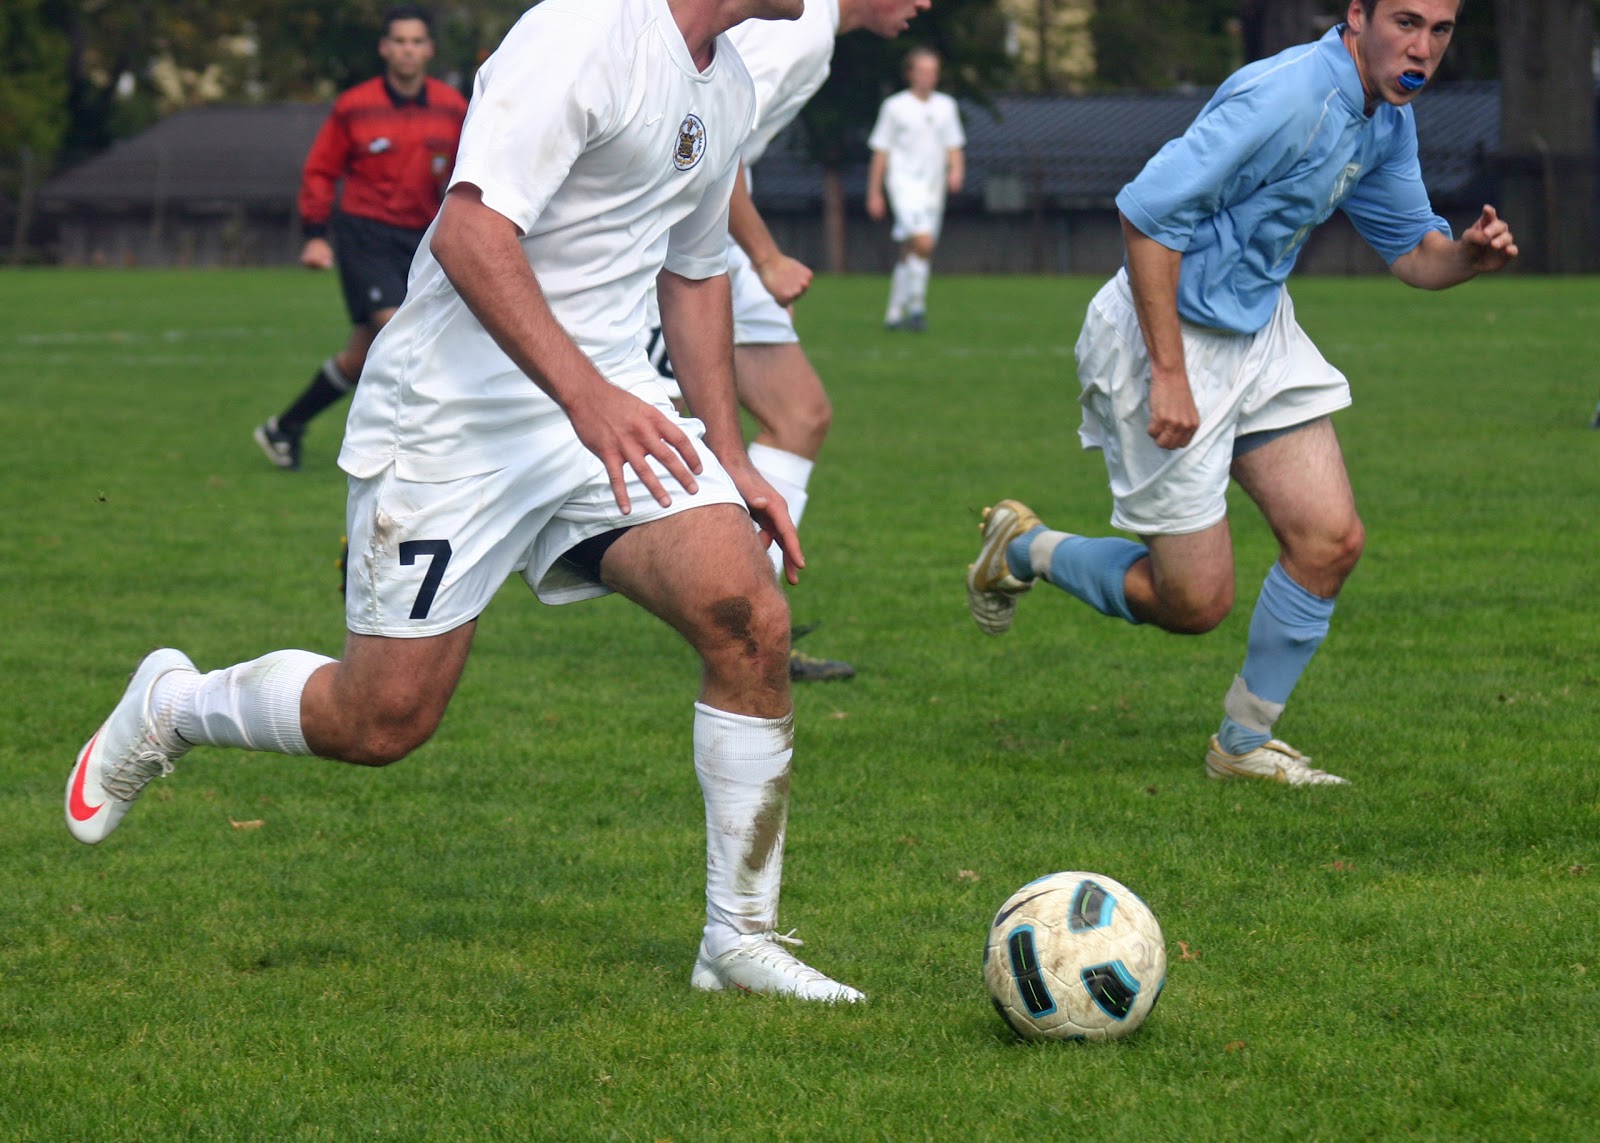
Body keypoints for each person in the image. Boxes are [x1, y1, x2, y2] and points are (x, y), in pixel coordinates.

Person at [69, 0, 863, 1004]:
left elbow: (697, 272)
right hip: (454, 417)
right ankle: (175, 706)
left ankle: (737, 942)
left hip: (611, 407)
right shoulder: (583, 32)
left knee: (750, 619)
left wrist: (733, 455)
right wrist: (586, 399)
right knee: (382, 719)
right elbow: (470, 234)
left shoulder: (728, 81)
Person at [966, 0, 1516, 786]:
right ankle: (1022, 547)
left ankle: (1243, 742)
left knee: (1330, 539)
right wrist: (1169, 373)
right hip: (1161, 332)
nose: (1422, 48)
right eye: (1405, 22)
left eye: (1441, 29)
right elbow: (1146, 216)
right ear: (1357, 15)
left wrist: (1465, 256)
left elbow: (1413, 252)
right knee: (1193, 604)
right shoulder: (1286, 95)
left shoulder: (1387, 118)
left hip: (1258, 331)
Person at [648, 0, 935, 683]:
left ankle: (753, 615)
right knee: (610, 428)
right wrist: (768, 257)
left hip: (702, 233)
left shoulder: (811, 36)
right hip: (681, 241)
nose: (923, 5)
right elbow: (709, 142)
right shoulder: (799, 35)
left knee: (799, 412)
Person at [254, 5, 467, 471]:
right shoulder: (355, 106)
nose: (408, 50)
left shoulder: (453, 108)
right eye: (400, 41)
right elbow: (320, 170)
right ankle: (405, 450)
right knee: (399, 332)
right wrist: (315, 234)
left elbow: (465, 174)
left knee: (362, 355)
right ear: (384, 48)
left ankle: (284, 427)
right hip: (365, 235)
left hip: (421, 240)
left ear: (428, 50)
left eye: (416, 41)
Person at [866, 46, 965, 332]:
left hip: (934, 187)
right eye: (923, 71)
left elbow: (954, 145)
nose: (928, 77)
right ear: (910, 74)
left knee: (912, 249)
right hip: (903, 185)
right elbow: (881, 151)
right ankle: (917, 307)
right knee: (923, 243)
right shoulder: (895, 107)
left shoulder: (946, 106)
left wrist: (956, 170)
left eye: (933, 71)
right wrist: (875, 192)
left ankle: (894, 313)